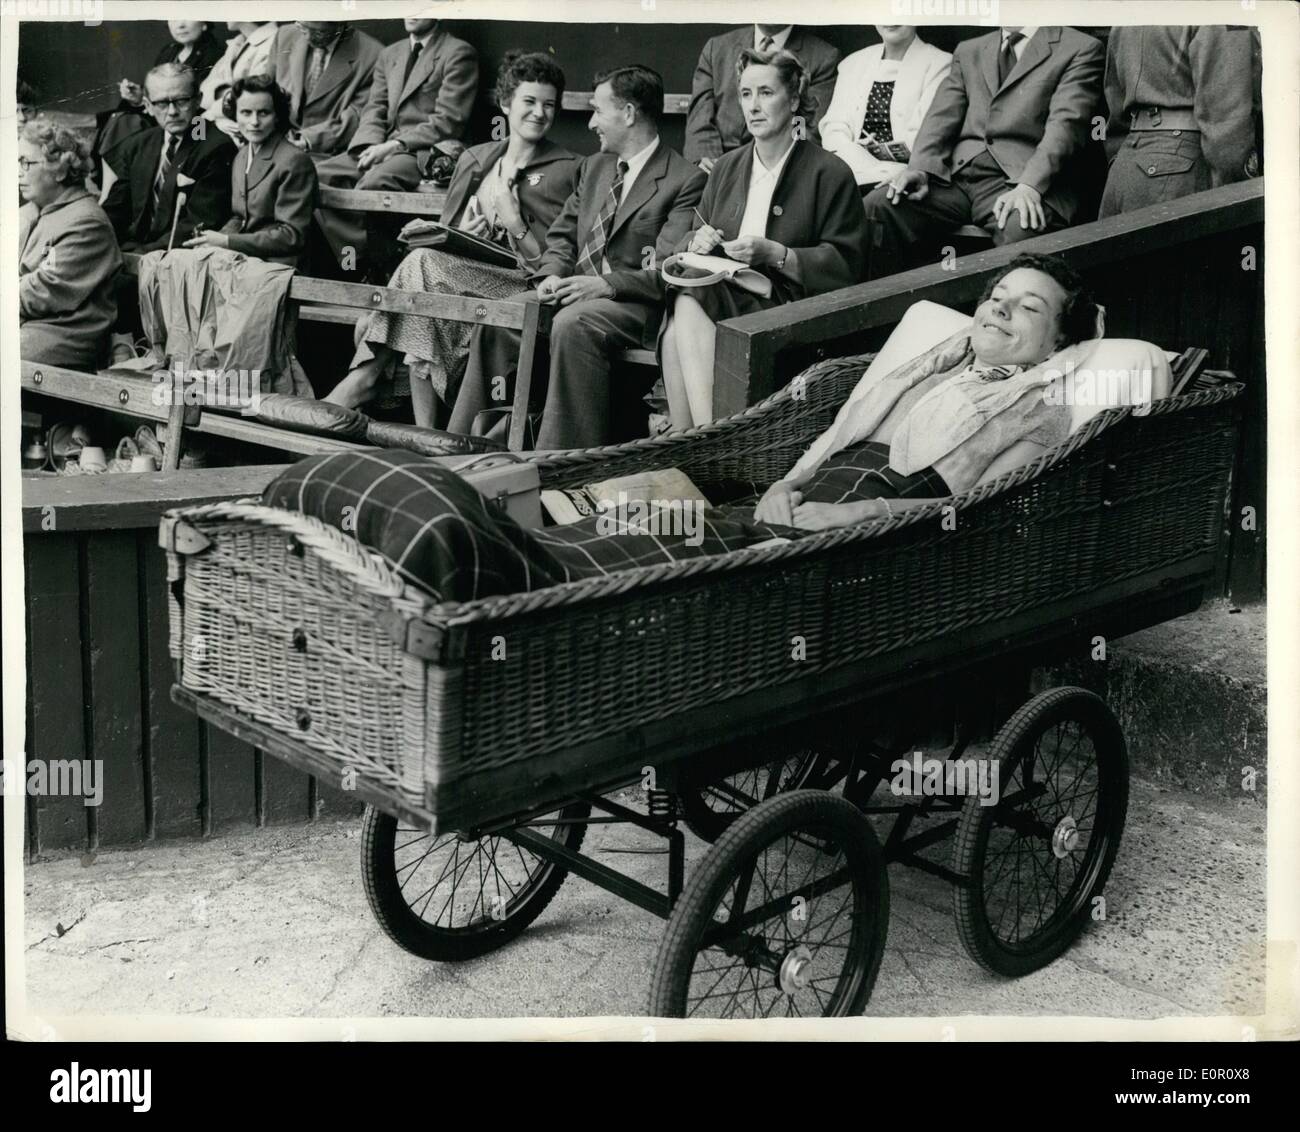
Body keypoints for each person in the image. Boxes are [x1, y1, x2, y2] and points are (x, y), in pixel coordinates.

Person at [268, 254, 1109, 604]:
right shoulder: (938, 358)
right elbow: (836, 427)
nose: (999, 308)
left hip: (853, 536)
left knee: (649, 549)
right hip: (789, 502)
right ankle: (481, 528)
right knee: (624, 506)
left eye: (1026, 307)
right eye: (996, 295)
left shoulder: (1034, 411)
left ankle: (486, 568)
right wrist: (792, 484)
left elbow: (955, 510)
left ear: (1059, 342)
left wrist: (824, 516)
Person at [447, 65, 707, 451]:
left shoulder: (684, 179)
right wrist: (551, 275)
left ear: (629, 113)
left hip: (634, 306)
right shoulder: (594, 168)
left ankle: (557, 464)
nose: (590, 124)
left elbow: (669, 269)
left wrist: (604, 284)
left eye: (598, 111)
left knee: (571, 323)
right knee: (503, 315)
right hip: (574, 293)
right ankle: (460, 447)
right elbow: (562, 239)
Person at [325, 52, 579, 426]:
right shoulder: (476, 158)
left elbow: (554, 266)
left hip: (522, 287)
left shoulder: (569, 168)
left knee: (421, 268)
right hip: (461, 278)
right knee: (425, 281)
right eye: (529, 101)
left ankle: (363, 379)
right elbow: (444, 233)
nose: (539, 113)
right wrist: (463, 235)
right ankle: (424, 430)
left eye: (549, 105)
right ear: (506, 103)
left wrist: (514, 223)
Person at [662, 48, 870, 430]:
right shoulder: (726, 167)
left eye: (766, 93)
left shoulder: (829, 172)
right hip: (726, 295)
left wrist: (776, 253)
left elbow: (847, 265)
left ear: (793, 100)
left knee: (687, 307)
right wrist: (698, 239)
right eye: (745, 94)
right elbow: (691, 234)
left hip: (792, 308)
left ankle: (709, 446)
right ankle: (697, 449)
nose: (753, 106)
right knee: (681, 315)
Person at [862, 26, 1104, 275]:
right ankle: (883, 313)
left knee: (1021, 226)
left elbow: (1066, 127)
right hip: (957, 179)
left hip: (1020, 181)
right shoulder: (970, 50)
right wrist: (920, 169)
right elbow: (941, 116)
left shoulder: (1080, 47)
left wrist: (1029, 186)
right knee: (880, 206)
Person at [314, 18, 478, 266]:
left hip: (423, 150)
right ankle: (357, 257)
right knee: (315, 175)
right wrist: (369, 145)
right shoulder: (391, 53)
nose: (411, 11)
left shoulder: (458, 52)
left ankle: (376, 263)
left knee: (375, 182)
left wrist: (395, 146)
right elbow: (374, 108)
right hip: (381, 146)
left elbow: (448, 121)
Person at [1098, 25, 1257, 218]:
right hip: (1185, 174)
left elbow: (1116, 109)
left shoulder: (1127, 15)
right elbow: (1228, 125)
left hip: (1126, 170)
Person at [18, 121, 122, 369]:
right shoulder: (35, 211)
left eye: (26, 163)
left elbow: (45, 290)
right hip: (30, 326)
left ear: (61, 170)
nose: (17, 171)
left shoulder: (86, 222)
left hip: (62, 336)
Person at [183, 75, 318, 266]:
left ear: (277, 115)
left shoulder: (293, 161)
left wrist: (226, 242)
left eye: (263, 113)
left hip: (281, 263)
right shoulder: (242, 155)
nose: (254, 122)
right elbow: (240, 217)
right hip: (248, 257)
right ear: (235, 115)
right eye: (246, 113)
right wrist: (211, 242)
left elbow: (292, 236)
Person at [102, 62, 236, 253]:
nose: (172, 112)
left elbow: (196, 223)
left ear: (198, 100)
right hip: (131, 247)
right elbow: (116, 208)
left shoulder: (213, 143)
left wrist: (140, 255)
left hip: (174, 255)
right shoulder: (139, 144)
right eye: (162, 103)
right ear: (148, 105)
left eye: (181, 101)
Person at [685, 24, 840, 173]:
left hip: (780, 168)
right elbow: (700, 119)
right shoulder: (717, 48)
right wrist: (709, 162)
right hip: (716, 168)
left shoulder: (823, 57)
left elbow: (807, 128)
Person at [818, 25, 951, 189]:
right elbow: (834, 128)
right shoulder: (853, 63)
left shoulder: (940, 64)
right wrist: (858, 156)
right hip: (850, 168)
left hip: (904, 176)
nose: (891, 19)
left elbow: (924, 137)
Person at [93, 21, 226, 169]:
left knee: (128, 126)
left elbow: (200, 102)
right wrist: (140, 97)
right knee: (120, 120)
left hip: (197, 120)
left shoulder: (217, 55)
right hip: (163, 118)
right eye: (174, 18)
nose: (180, 25)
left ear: (205, 22)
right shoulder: (170, 51)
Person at [272, 20, 383, 160]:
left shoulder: (374, 55)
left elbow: (357, 117)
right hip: (276, 140)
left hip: (328, 153)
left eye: (319, 32)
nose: (307, 37)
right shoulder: (285, 35)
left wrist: (307, 140)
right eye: (302, 28)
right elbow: (265, 92)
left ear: (340, 23)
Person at [199, 21, 281, 134]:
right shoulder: (238, 43)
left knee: (197, 129)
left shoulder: (272, 44)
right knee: (195, 131)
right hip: (222, 120)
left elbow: (252, 100)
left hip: (246, 130)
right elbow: (203, 90)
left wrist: (214, 113)